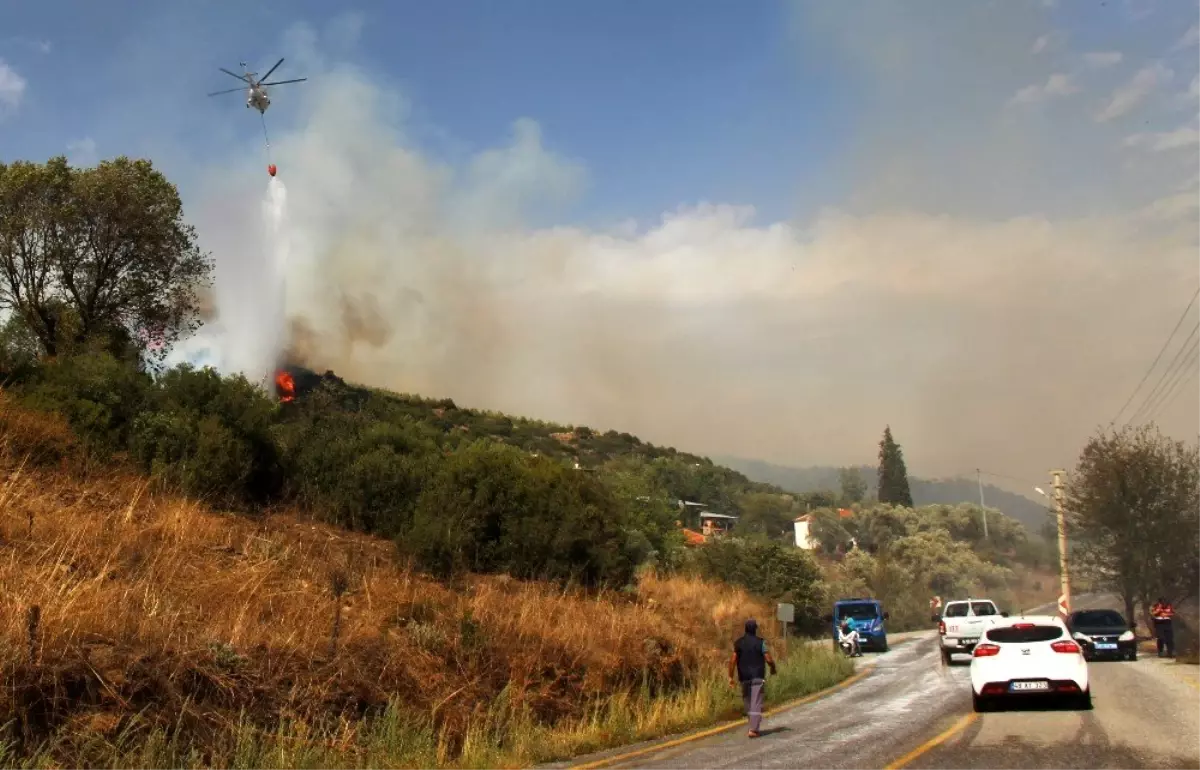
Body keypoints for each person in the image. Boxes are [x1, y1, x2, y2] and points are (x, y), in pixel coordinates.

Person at [728, 618, 777, 738]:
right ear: (755, 629)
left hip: (744, 676)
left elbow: (733, 660)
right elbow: (768, 658)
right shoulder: (761, 642)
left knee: (747, 701)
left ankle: (753, 723)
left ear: (745, 629)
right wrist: (772, 667)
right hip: (757, 676)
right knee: (756, 702)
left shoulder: (738, 643)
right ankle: (753, 729)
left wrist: (730, 676)